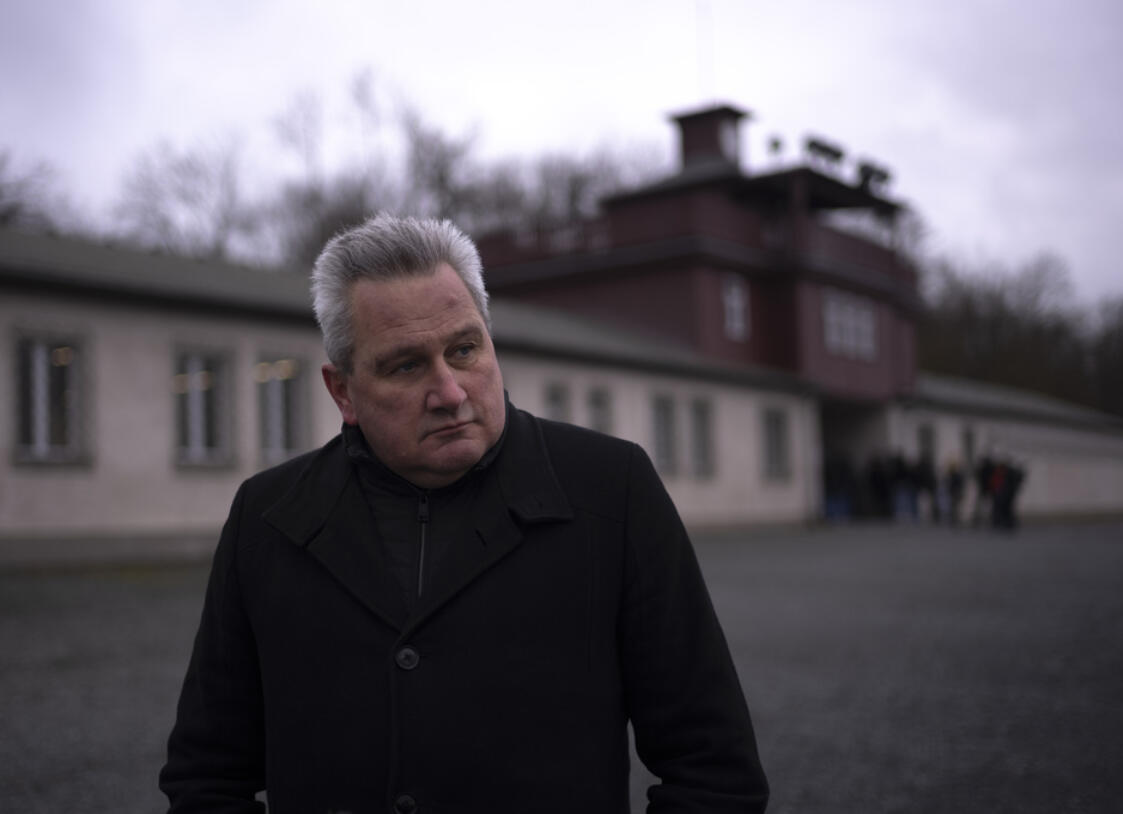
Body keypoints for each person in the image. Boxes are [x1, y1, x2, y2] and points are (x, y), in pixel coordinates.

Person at [160, 214, 769, 813]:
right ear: (342, 391)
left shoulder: (612, 491)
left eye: (464, 349)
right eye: (406, 365)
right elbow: (207, 775)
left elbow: (713, 771)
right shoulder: (269, 518)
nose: (450, 392)